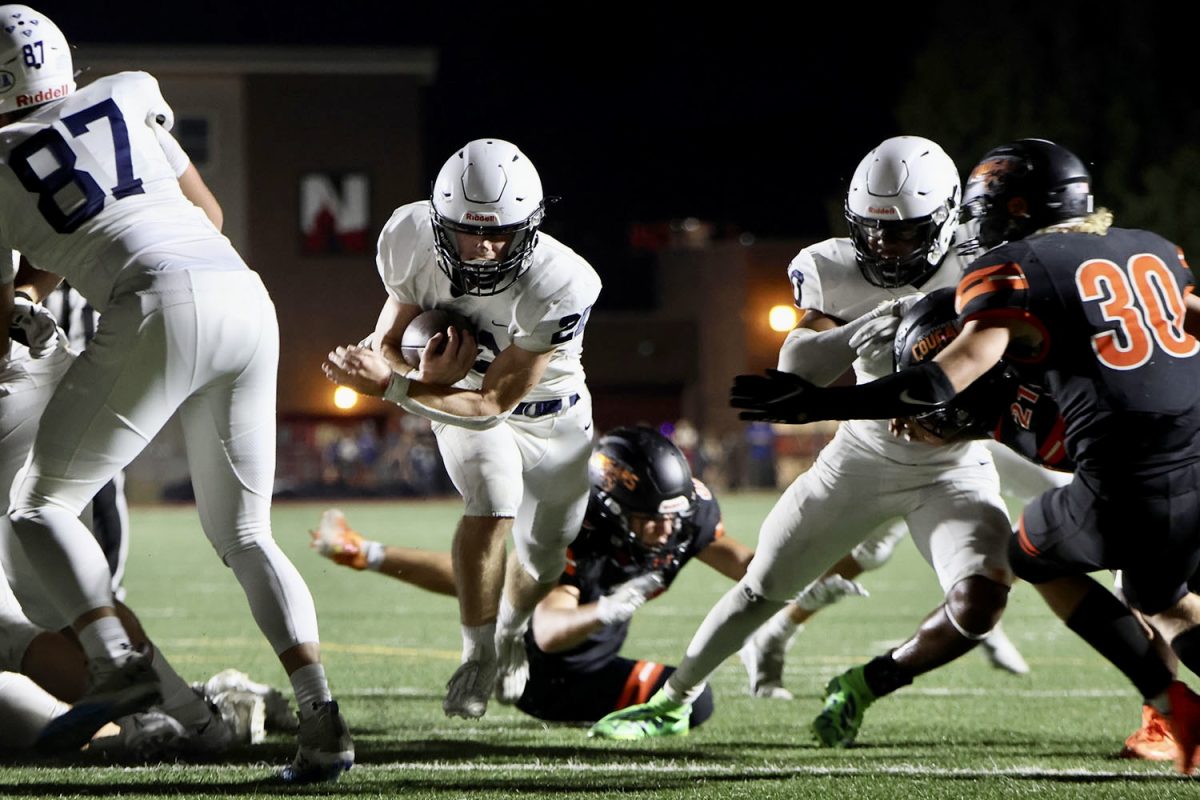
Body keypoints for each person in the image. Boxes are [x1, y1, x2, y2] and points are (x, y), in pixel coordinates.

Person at [730, 138, 1200, 775]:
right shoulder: (1153, 249)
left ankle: (1168, 700)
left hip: (1124, 477)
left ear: (1007, 210)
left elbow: (940, 380)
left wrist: (819, 404)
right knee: (1163, 599)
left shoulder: (1016, 266)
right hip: (1193, 462)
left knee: (1027, 555)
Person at [0, 6, 350, 782]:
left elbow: (4, 323)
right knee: (247, 535)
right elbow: (209, 213)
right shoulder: (127, 92)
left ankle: (115, 660)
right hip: (243, 295)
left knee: (36, 507)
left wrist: (26, 308)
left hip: (153, 305)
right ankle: (323, 721)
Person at [590, 136, 1023, 744]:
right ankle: (673, 700)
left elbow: (1012, 364)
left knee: (980, 604)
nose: (880, 246)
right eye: (869, 230)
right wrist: (858, 332)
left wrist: (964, 414)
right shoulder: (832, 265)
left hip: (955, 465)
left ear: (948, 218)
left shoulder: (983, 263)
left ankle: (863, 684)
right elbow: (799, 371)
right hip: (863, 457)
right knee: (763, 588)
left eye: (899, 233)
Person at [310, 426, 866, 726]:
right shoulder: (579, 529)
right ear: (612, 507)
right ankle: (372, 556)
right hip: (548, 674)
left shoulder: (682, 515)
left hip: (589, 647)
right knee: (694, 703)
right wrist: (607, 609)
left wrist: (806, 580)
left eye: (670, 516)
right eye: (649, 519)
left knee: (494, 580)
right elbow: (550, 631)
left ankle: (367, 552)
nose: (663, 532)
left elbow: (743, 563)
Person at [322, 138, 602, 720]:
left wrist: (400, 386)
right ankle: (477, 655)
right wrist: (412, 376)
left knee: (546, 556)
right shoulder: (408, 238)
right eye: (468, 232)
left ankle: (512, 632)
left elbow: (498, 399)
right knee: (494, 501)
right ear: (437, 218)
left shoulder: (562, 279)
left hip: (553, 418)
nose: (485, 247)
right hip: (458, 402)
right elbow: (390, 348)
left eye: (501, 232)